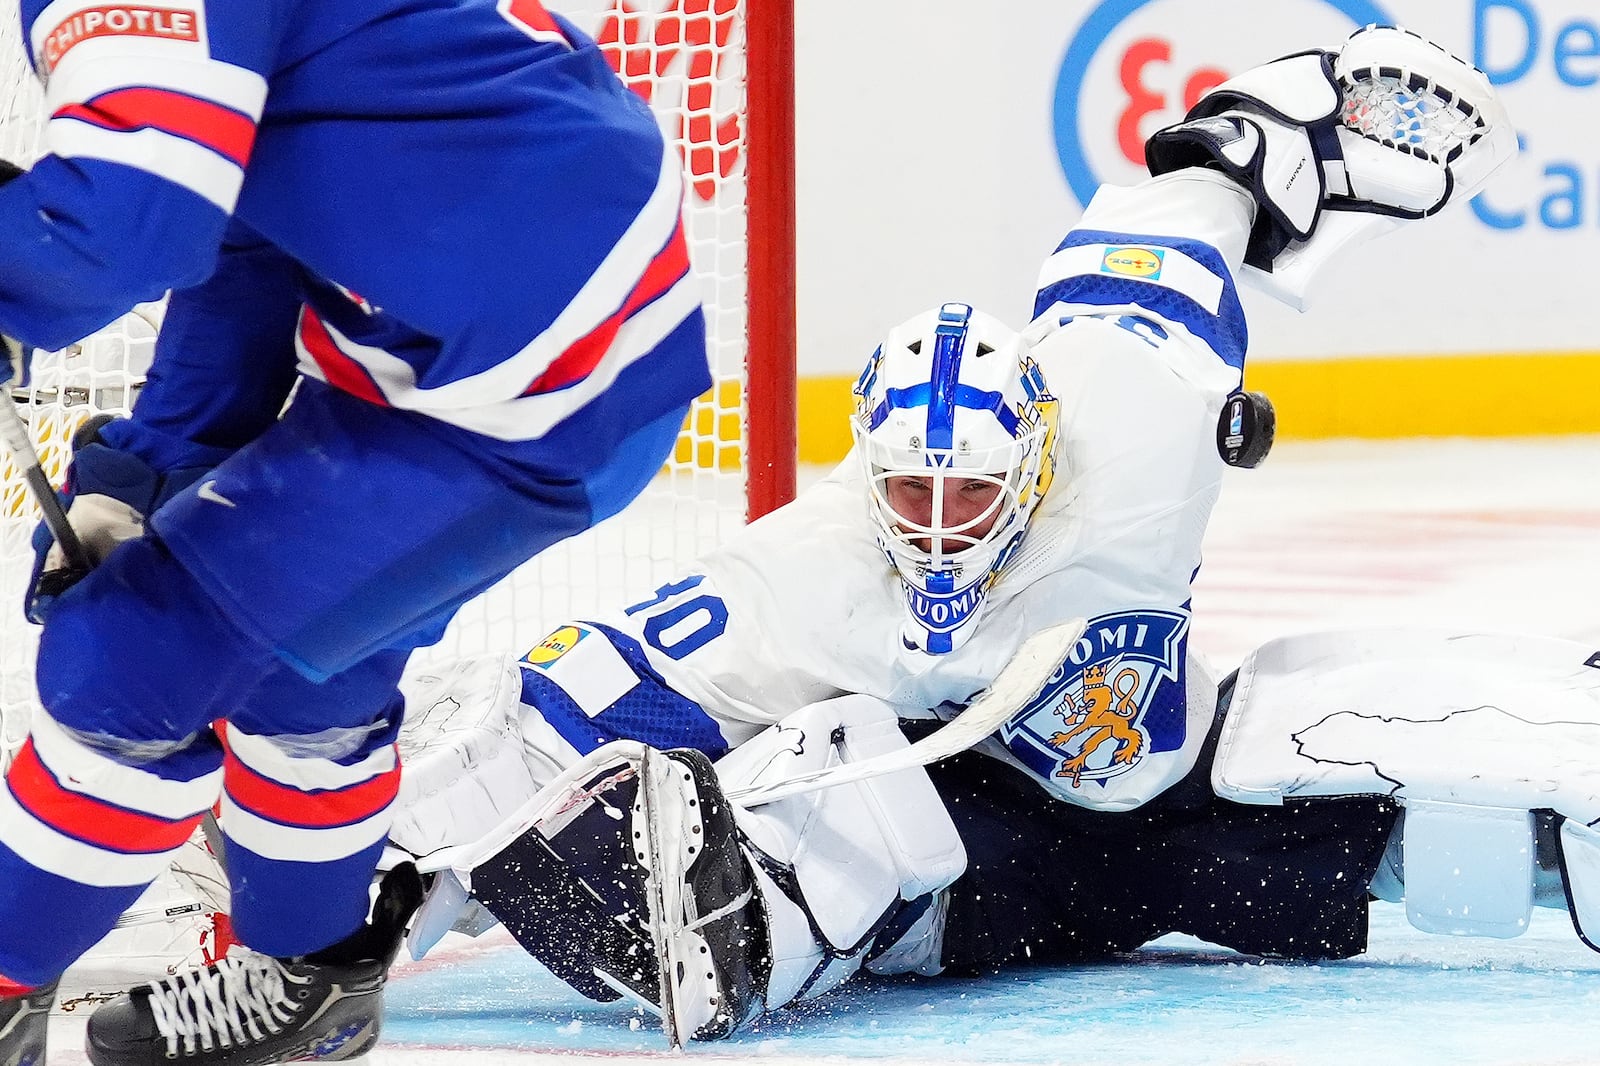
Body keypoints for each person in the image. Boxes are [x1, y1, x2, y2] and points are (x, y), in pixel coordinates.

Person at [95, 22, 1564, 1058]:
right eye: (908, 495)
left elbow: (1212, 184)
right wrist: (361, 893)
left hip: (1173, 793)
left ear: (1038, 457)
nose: (932, 528)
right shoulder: (817, 575)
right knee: (855, 794)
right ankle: (730, 924)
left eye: (968, 496)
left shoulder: (1131, 407)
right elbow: (552, 709)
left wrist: (1304, 123)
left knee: (1400, 740)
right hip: (996, 856)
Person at [0, 1, 710, 1063]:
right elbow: (240, 235)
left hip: (519, 375)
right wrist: (151, 468)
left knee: (136, 653)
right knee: (306, 663)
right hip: (512, 331)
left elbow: (131, 223)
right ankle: (308, 980)